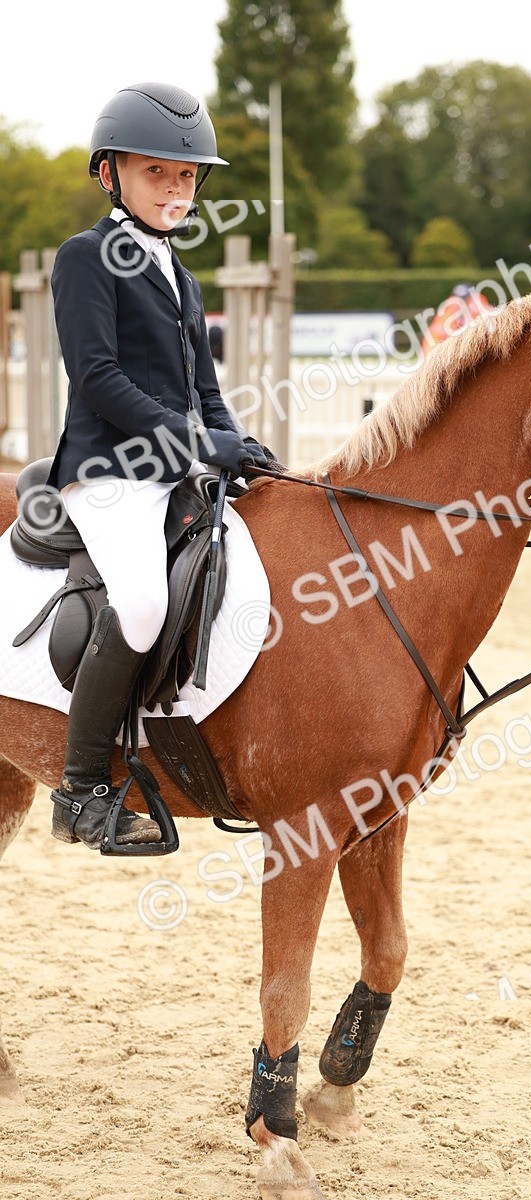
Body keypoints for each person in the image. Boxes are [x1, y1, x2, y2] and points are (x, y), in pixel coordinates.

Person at [45, 82, 272, 853]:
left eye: (185, 177)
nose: (174, 190)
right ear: (109, 174)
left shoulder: (181, 273)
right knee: (142, 603)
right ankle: (81, 794)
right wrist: (195, 443)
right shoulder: (84, 258)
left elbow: (205, 388)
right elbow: (100, 379)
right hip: (108, 471)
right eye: (156, 173)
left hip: (174, 471)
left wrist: (236, 444)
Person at [421, 282, 493, 354]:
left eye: (465, 297)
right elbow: (439, 330)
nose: (462, 300)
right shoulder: (449, 307)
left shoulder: (479, 305)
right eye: (459, 297)